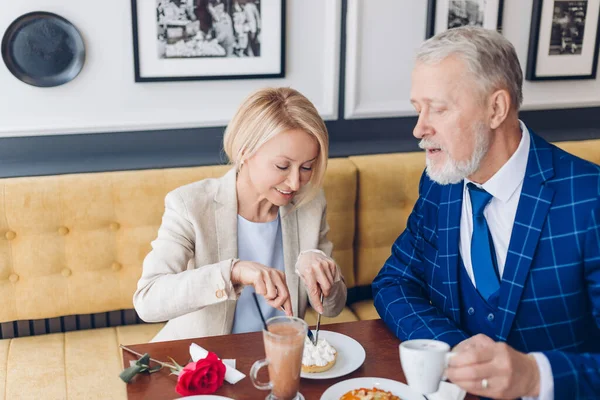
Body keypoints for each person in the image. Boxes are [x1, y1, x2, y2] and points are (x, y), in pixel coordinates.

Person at [372, 26, 600, 399]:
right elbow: (393, 282)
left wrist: (535, 375)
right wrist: (453, 348)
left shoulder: (591, 199)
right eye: (418, 109)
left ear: (496, 108)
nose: (419, 128)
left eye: (438, 109)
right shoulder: (439, 185)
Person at [134, 87, 347, 342]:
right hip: (206, 360)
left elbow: (334, 307)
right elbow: (148, 300)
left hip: (279, 354)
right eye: (282, 166)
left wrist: (325, 274)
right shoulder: (189, 205)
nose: (294, 182)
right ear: (245, 151)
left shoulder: (310, 203)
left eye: (307, 167)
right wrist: (232, 273)